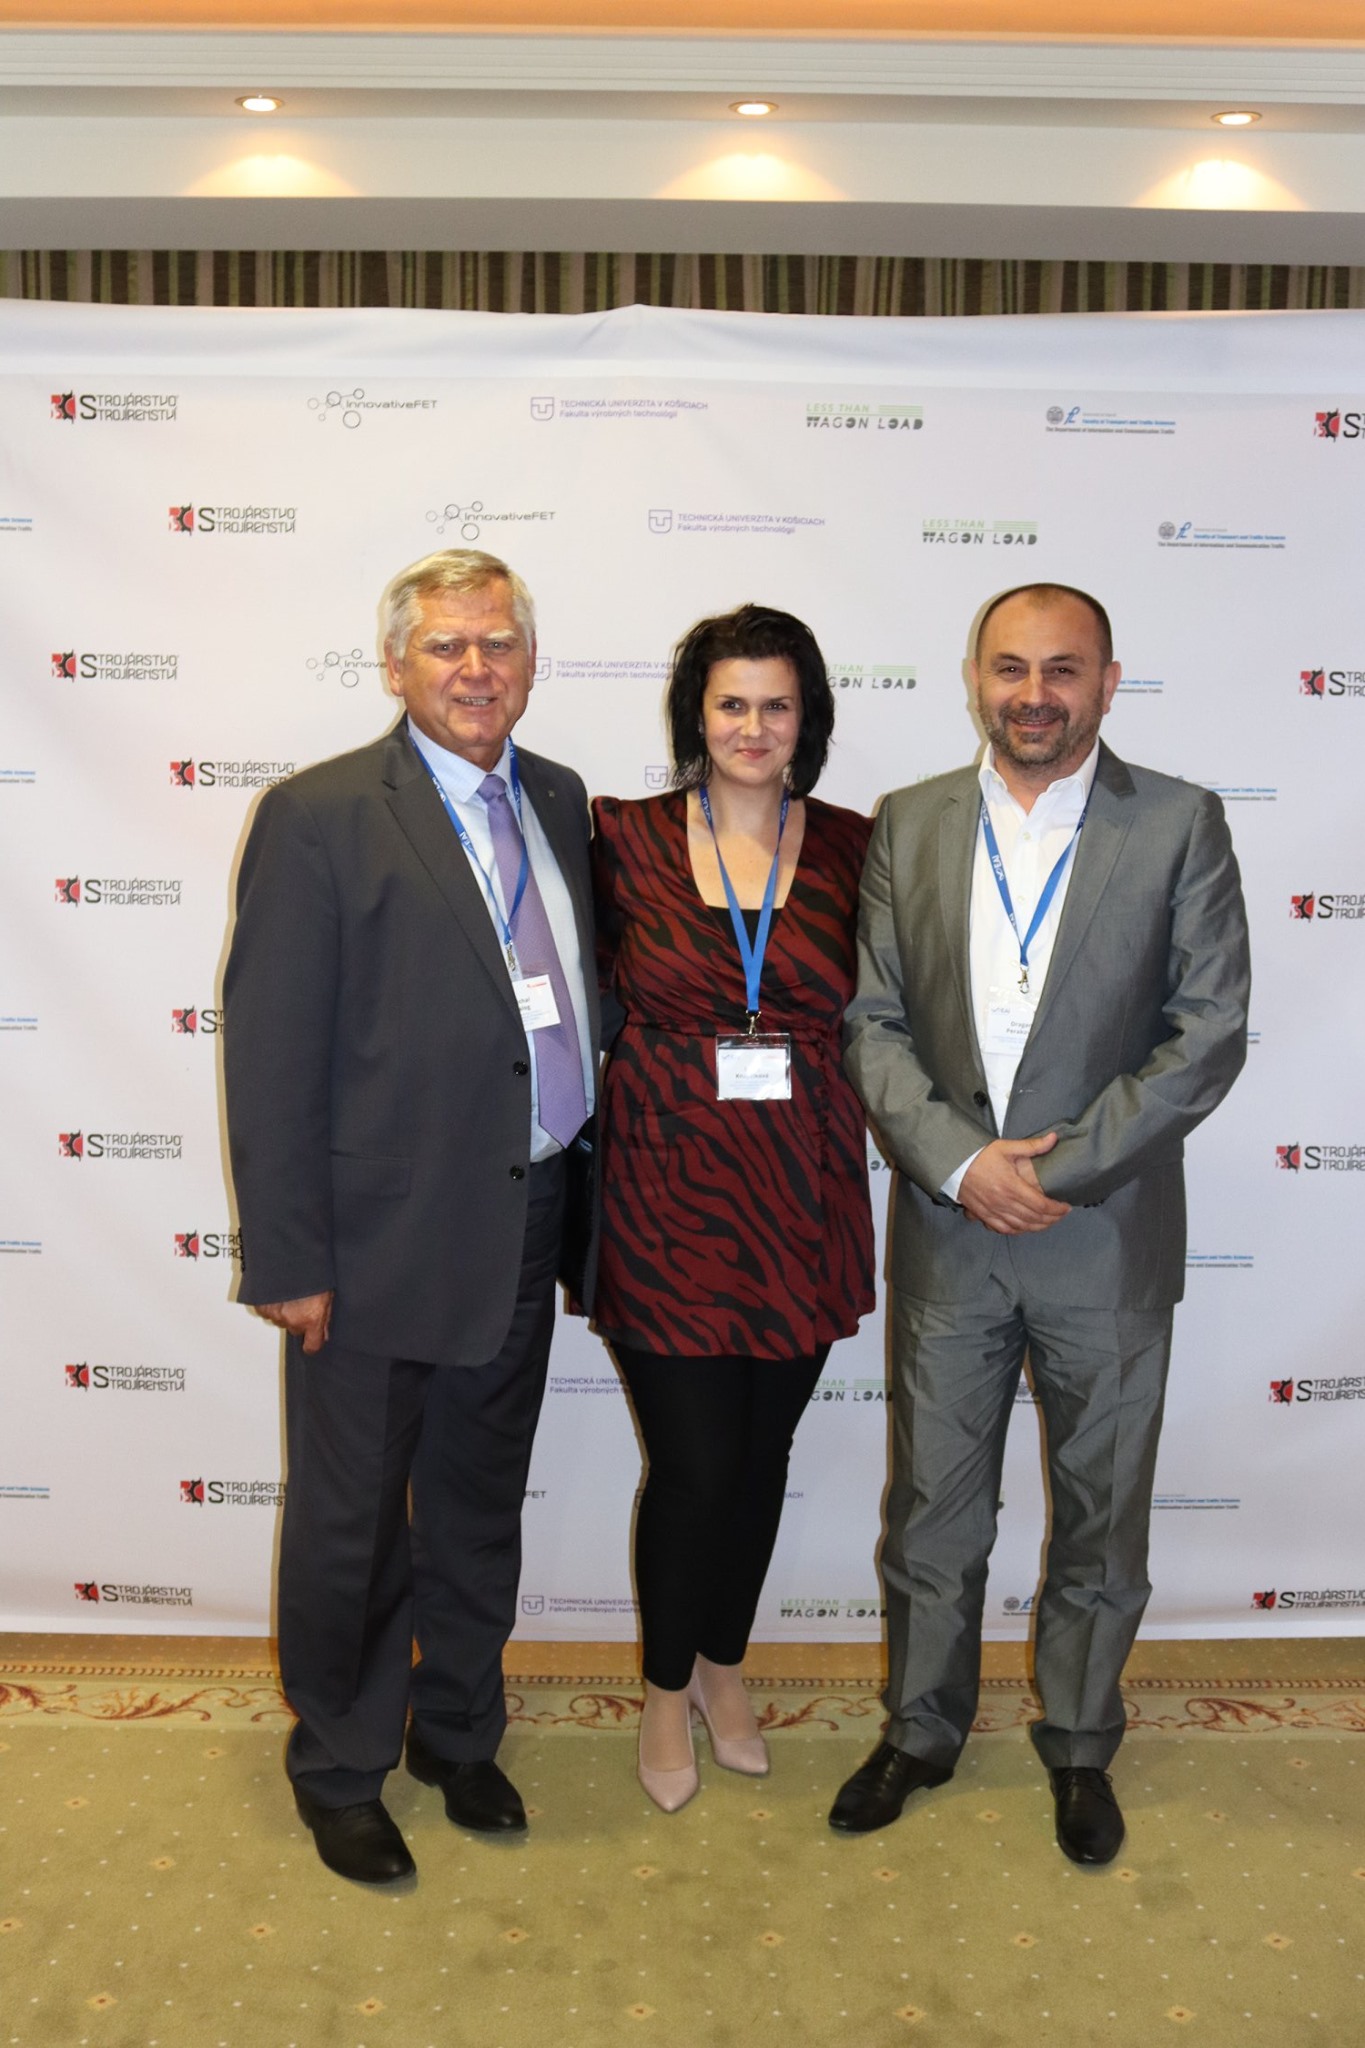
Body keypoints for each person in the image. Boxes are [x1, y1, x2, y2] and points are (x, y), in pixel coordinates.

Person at [832, 583, 1249, 1863]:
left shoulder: (1178, 821)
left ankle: (1078, 1741)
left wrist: (1056, 1170)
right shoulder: (909, 821)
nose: (1033, 694)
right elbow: (872, 1022)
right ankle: (920, 1729)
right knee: (933, 1512)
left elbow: (1207, 1032)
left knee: (1100, 1511)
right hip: (952, 1230)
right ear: (975, 677)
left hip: (1104, 1235)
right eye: (1009, 667)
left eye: (1062, 669)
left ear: (1107, 683)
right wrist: (964, 1166)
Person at [223, 548, 599, 1886]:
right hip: (372, 1247)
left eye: (498, 643)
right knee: (355, 1526)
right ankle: (340, 1765)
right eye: (446, 645)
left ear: (530, 660)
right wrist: (290, 1256)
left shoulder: (559, 798)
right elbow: (271, 1050)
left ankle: (457, 1733)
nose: (475, 669)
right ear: (395, 664)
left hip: (524, 1217)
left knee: (479, 1504)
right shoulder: (320, 814)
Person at [591, 603, 875, 1811]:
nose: (753, 727)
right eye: (731, 703)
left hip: (802, 1191)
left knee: (762, 1457)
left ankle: (723, 1664)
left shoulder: (859, 845)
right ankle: (664, 1690)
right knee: (695, 1464)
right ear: (694, 714)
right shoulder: (622, 835)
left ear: (808, 718)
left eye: (776, 704)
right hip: (666, 1190)